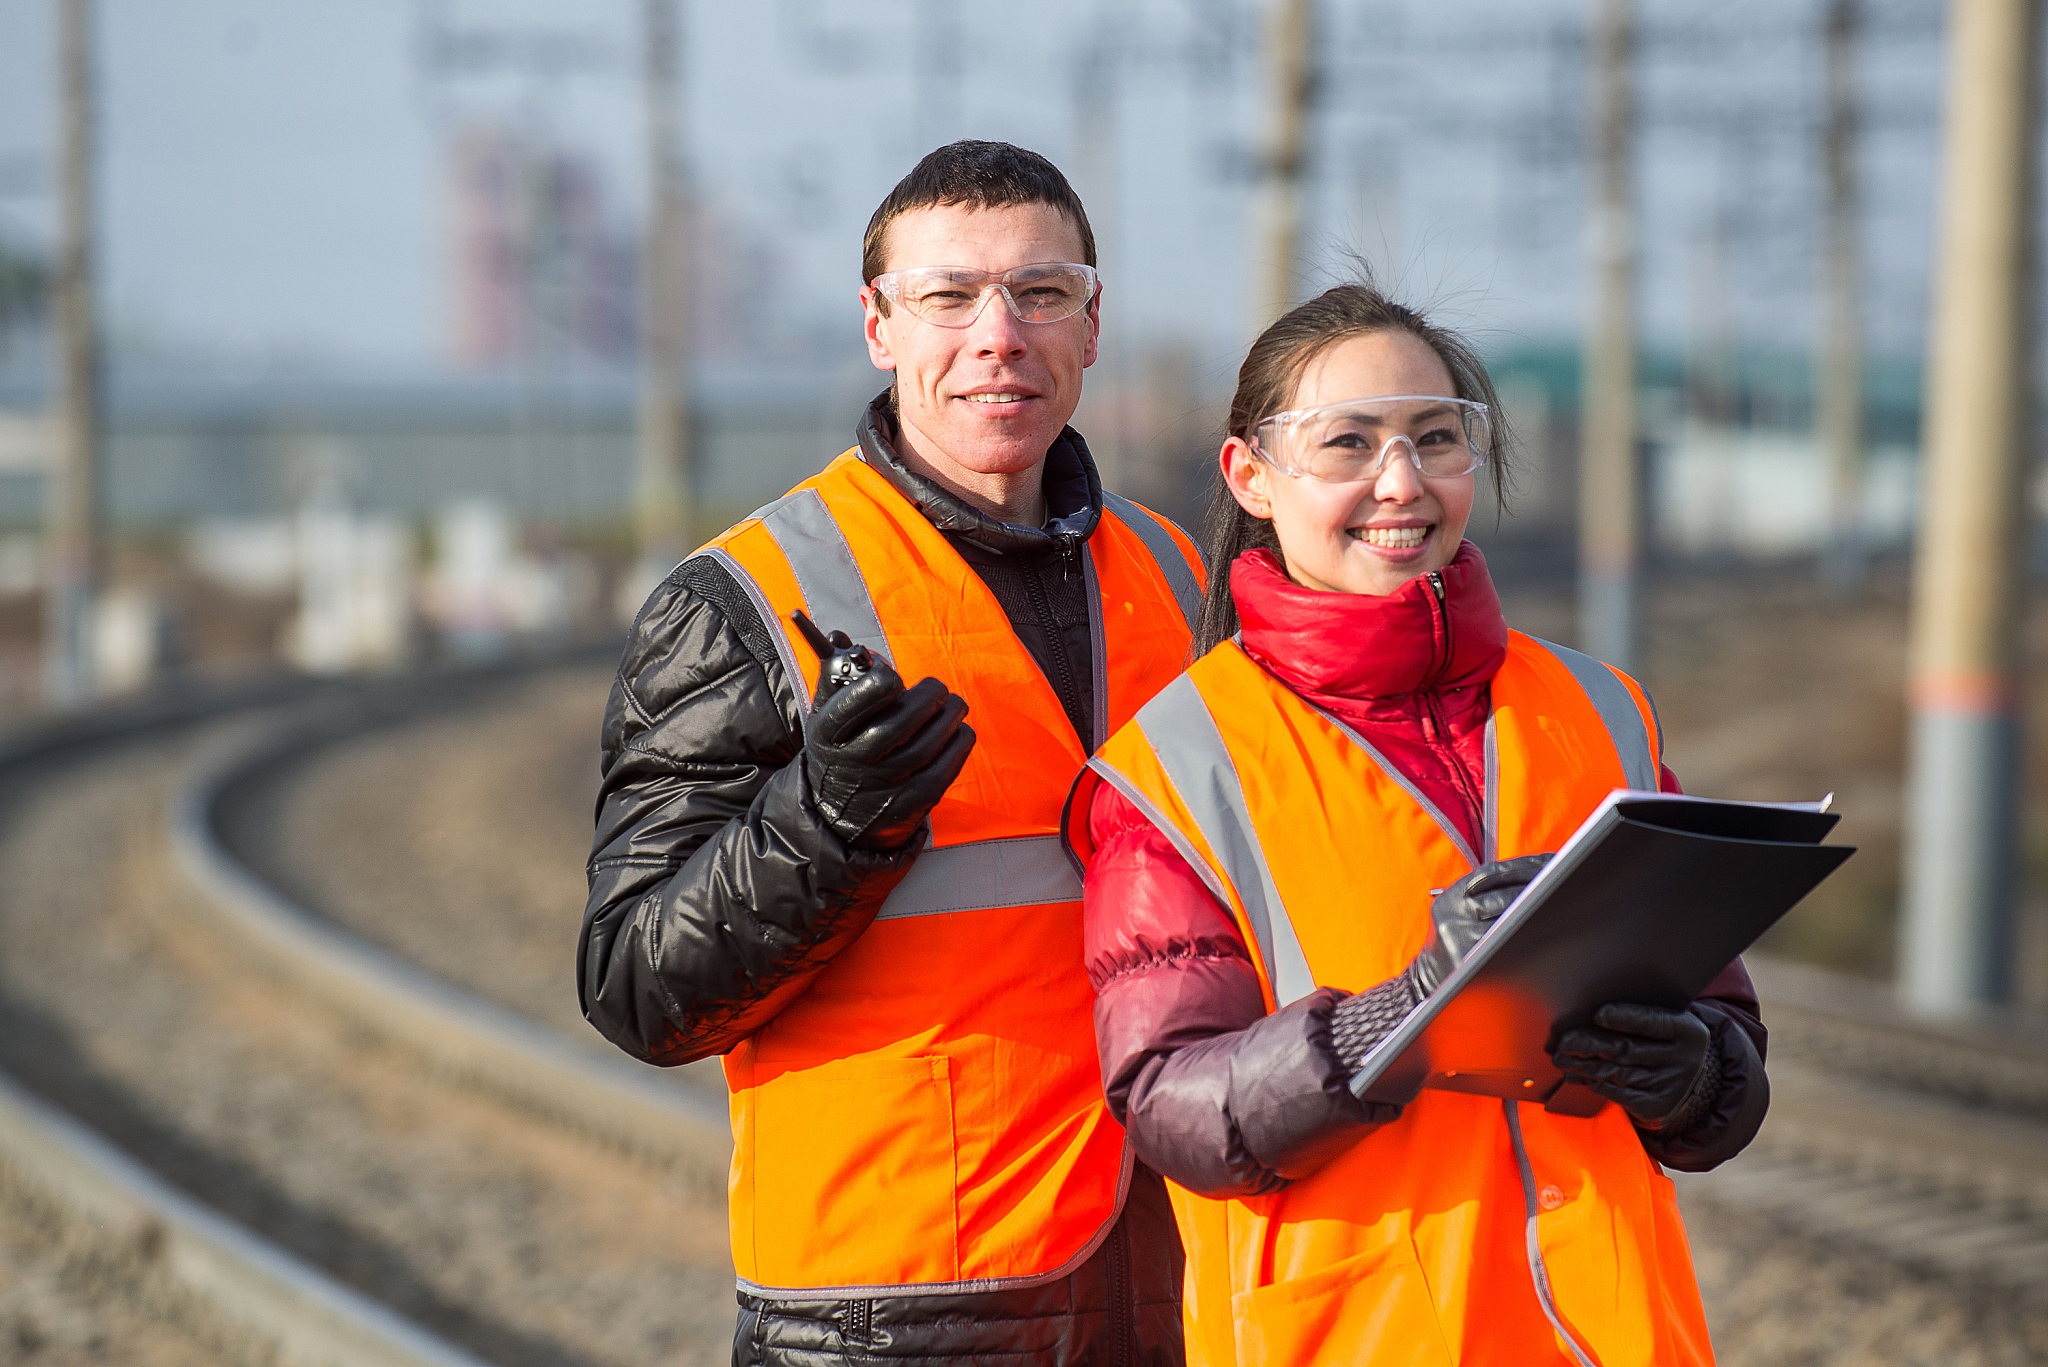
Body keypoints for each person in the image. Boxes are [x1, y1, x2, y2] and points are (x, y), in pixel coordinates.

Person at [578, 141, 1203, 1367]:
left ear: (1093, 323)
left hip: (1171, 1275)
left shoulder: (1178, 576)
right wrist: (825, 825)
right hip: (890, 1311)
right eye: (946, 294)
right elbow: (636, 984)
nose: (998, 334)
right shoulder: (746, 599)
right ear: (876, 323)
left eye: (1040, 292)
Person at [1063, 282, 1767, 1366]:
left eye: (1434, 439)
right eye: (1344, 442)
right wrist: (1397, 1017)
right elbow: (1170, 1103)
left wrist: (1693, 1076)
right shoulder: (1177, 766)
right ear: (1249, 476)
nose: (1399, 481)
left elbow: (1725, 1043)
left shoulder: (1600, 712)